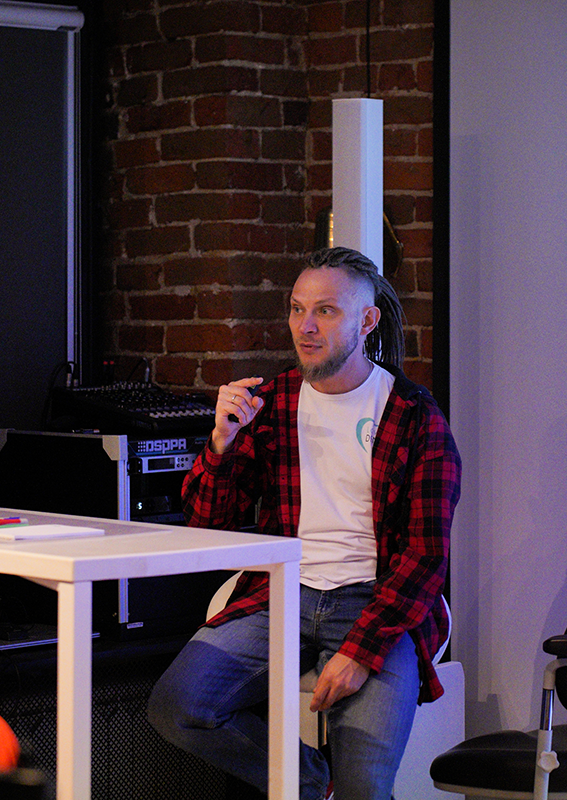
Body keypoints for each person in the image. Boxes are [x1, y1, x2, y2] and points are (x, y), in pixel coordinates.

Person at [147, 247, 462, 800]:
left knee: (365, 785)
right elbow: (206, 523)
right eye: (296, 309)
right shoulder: (271, 404)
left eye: (326, 311)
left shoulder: (413, 414)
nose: (305, 326)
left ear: (367, 321)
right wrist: (221, 442)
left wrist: (360, 651)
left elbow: (425, 556)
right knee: (179, 705)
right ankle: (310, 782)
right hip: (283, 594)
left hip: (375, 601)